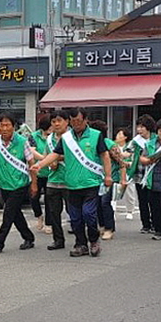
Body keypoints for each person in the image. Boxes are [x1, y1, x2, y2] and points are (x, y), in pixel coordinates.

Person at [32, 108, 111, 257]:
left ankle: (93, 241)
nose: (76, 125)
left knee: (88, 214)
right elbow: (55, 154)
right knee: (75, 218)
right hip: (71, 184)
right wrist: (40, 165)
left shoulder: (96, 135)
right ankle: (80, 244)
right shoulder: (66, 138)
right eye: (73, 122)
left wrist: (108, 176)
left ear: (85, 120)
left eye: (79, 121)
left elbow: (104, 155)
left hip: (90, 183)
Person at [0, 112, 37, 254]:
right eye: (2, 125)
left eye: (7, 125)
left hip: (19, 184)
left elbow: (31, 162)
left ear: (13, 127)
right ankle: (28, 237)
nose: (5, 128)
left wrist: (34, 184)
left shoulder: (22, 141)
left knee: (8, 214)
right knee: (15, 213)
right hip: (3, 184)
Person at [92, 120, 127, 241]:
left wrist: (123, 180)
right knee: (96, 203)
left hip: (109, 178)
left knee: (105, 203)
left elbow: (121, 163)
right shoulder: (90, 144)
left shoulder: (110, 145)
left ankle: (109, 228)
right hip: (95, 178)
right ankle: (101, 225)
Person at [42, 111, 70, 250]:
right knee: (54, 213)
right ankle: (58, 240)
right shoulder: (49, 139)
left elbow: (75, 156)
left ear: (67, 121)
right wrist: (49, 162)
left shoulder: (72, 138)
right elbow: (45, 156)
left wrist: (57, 158)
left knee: (74, 212)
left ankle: (81, 239)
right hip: (53, 180)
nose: (56, 124)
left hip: (70, 181)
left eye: (59, 120)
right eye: (53, 121)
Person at [28, 115, 52, 233]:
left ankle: (49, 223)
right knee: (34, 197)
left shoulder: (55, 137)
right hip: (37, 172)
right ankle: (39, 216)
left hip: (51, 173)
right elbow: (31, 150)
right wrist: (43, 159)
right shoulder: (33, 136)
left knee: (49, 199)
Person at [133, 115, 156, 234]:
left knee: (153, 200)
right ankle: (145, 224)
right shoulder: (136, 141)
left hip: (152, 175)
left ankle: (155, 223)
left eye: (142, 127)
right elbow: (128, 152)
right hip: (139, 175)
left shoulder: (156, 140)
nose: (139, 129)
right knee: (142, 200)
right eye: (138, 126)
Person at [115, 127, 137, 220]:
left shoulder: (130, 146)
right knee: (114, 192)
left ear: (125, 137)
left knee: (130, 192)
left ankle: (130, 211)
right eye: (118, 134)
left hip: (128, 172)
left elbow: (135, 160)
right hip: (116, 172)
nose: (117, 136)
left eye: (120, 134)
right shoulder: (113, 145)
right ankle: (112, 210)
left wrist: (128, 164)